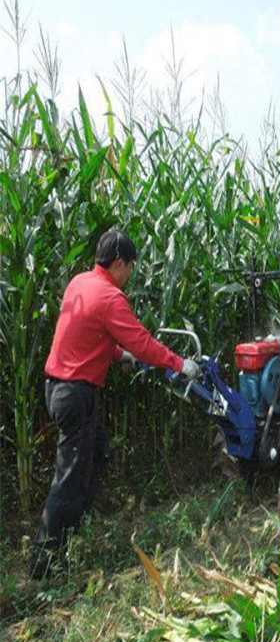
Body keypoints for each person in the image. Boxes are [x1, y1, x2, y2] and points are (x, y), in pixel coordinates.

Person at [29, 230, 200, 579]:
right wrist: (180, 364)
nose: (131, 274)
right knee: (70, 476)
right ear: (119, 263)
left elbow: (86, 333)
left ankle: (72, 532)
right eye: (131, 266)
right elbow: (142, 342)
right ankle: (45, 561)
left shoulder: (80, 282)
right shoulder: (111, 297)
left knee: (97, 453)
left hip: (57, 388)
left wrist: (119, 356)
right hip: (76, 394)